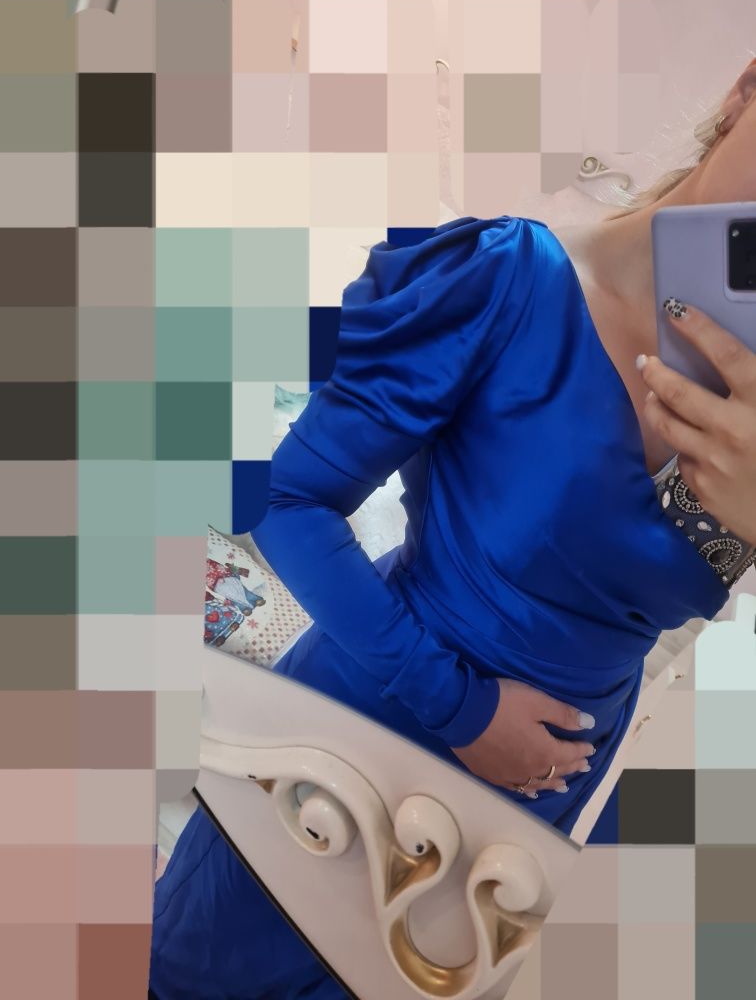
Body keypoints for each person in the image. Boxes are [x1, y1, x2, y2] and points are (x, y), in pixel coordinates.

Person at [149, 58, 756, 999]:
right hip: (361, 737)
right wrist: (460, 709)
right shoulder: (508, 279)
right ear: (744, 91)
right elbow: (289, 499)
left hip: (537, 809)